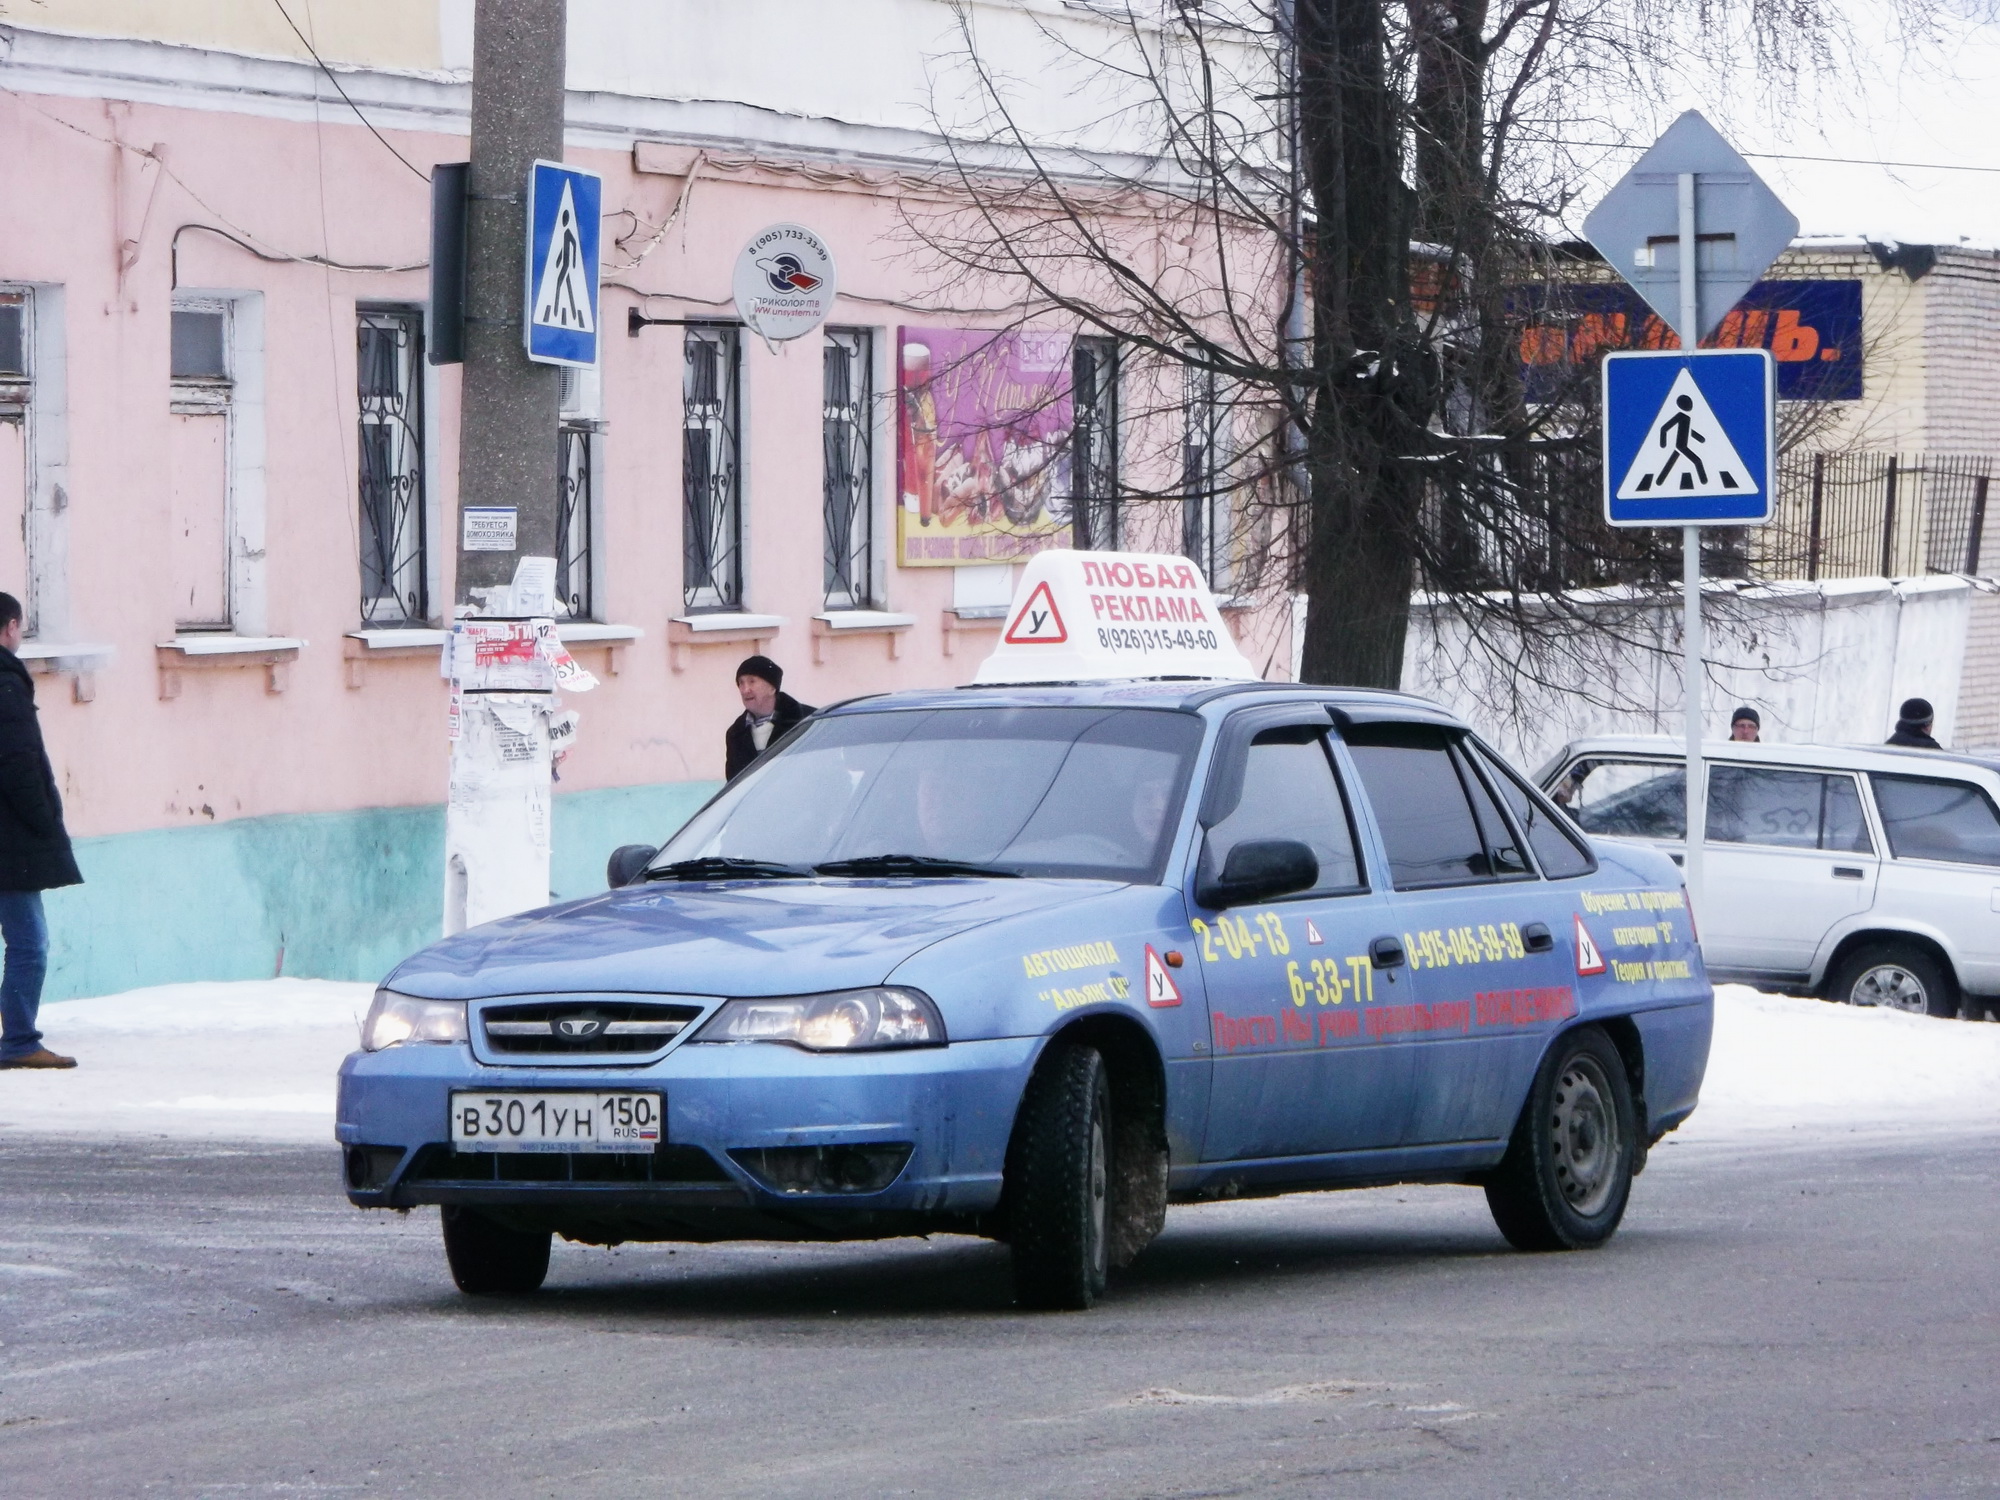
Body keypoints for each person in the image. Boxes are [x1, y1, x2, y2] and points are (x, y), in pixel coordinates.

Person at [0, 592, 80, 1070]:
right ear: (9, 627)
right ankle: (20, 1041)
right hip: (10, 840)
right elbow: (18, 763)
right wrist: (45, 823)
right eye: (21, 629)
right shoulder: (5, 684)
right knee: (30, 942)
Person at [725, 655, 814, 781]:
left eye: (752, 681)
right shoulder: (735, 734)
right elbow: (733, 785)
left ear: (772, 688)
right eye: (741, 683)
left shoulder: (808, 721)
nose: (745, 690)